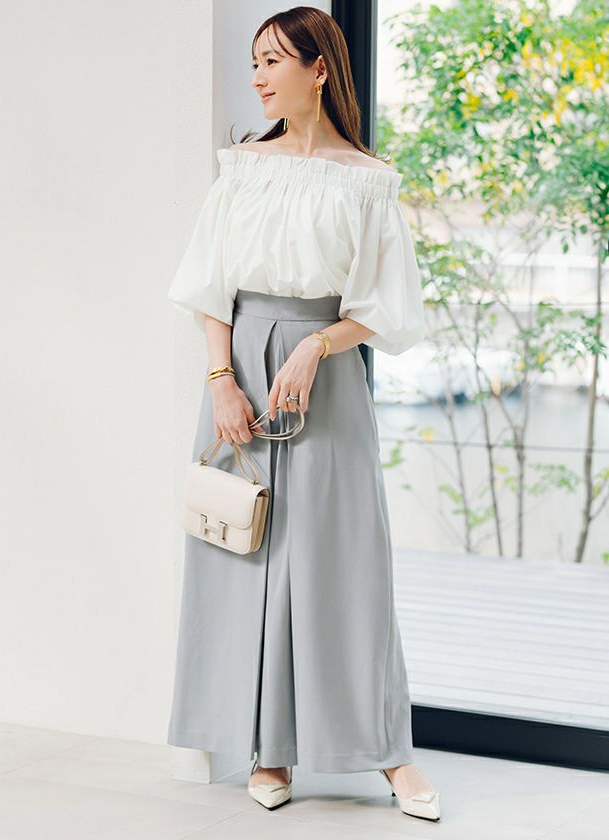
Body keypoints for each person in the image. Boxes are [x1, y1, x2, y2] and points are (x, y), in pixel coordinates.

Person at [166, 6, 440, 823]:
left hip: (326, 376)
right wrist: (222, 380)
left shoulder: (368, 180)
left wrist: (317, 347)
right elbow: (209, 286)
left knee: (345, 564)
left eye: (273, 61)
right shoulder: (243, 170)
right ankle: (268, 747)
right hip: (240, 372)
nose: (257, 76)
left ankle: (390, 753)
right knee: (246, 552)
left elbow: (385, 307)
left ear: (319, 69)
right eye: (254, 61)